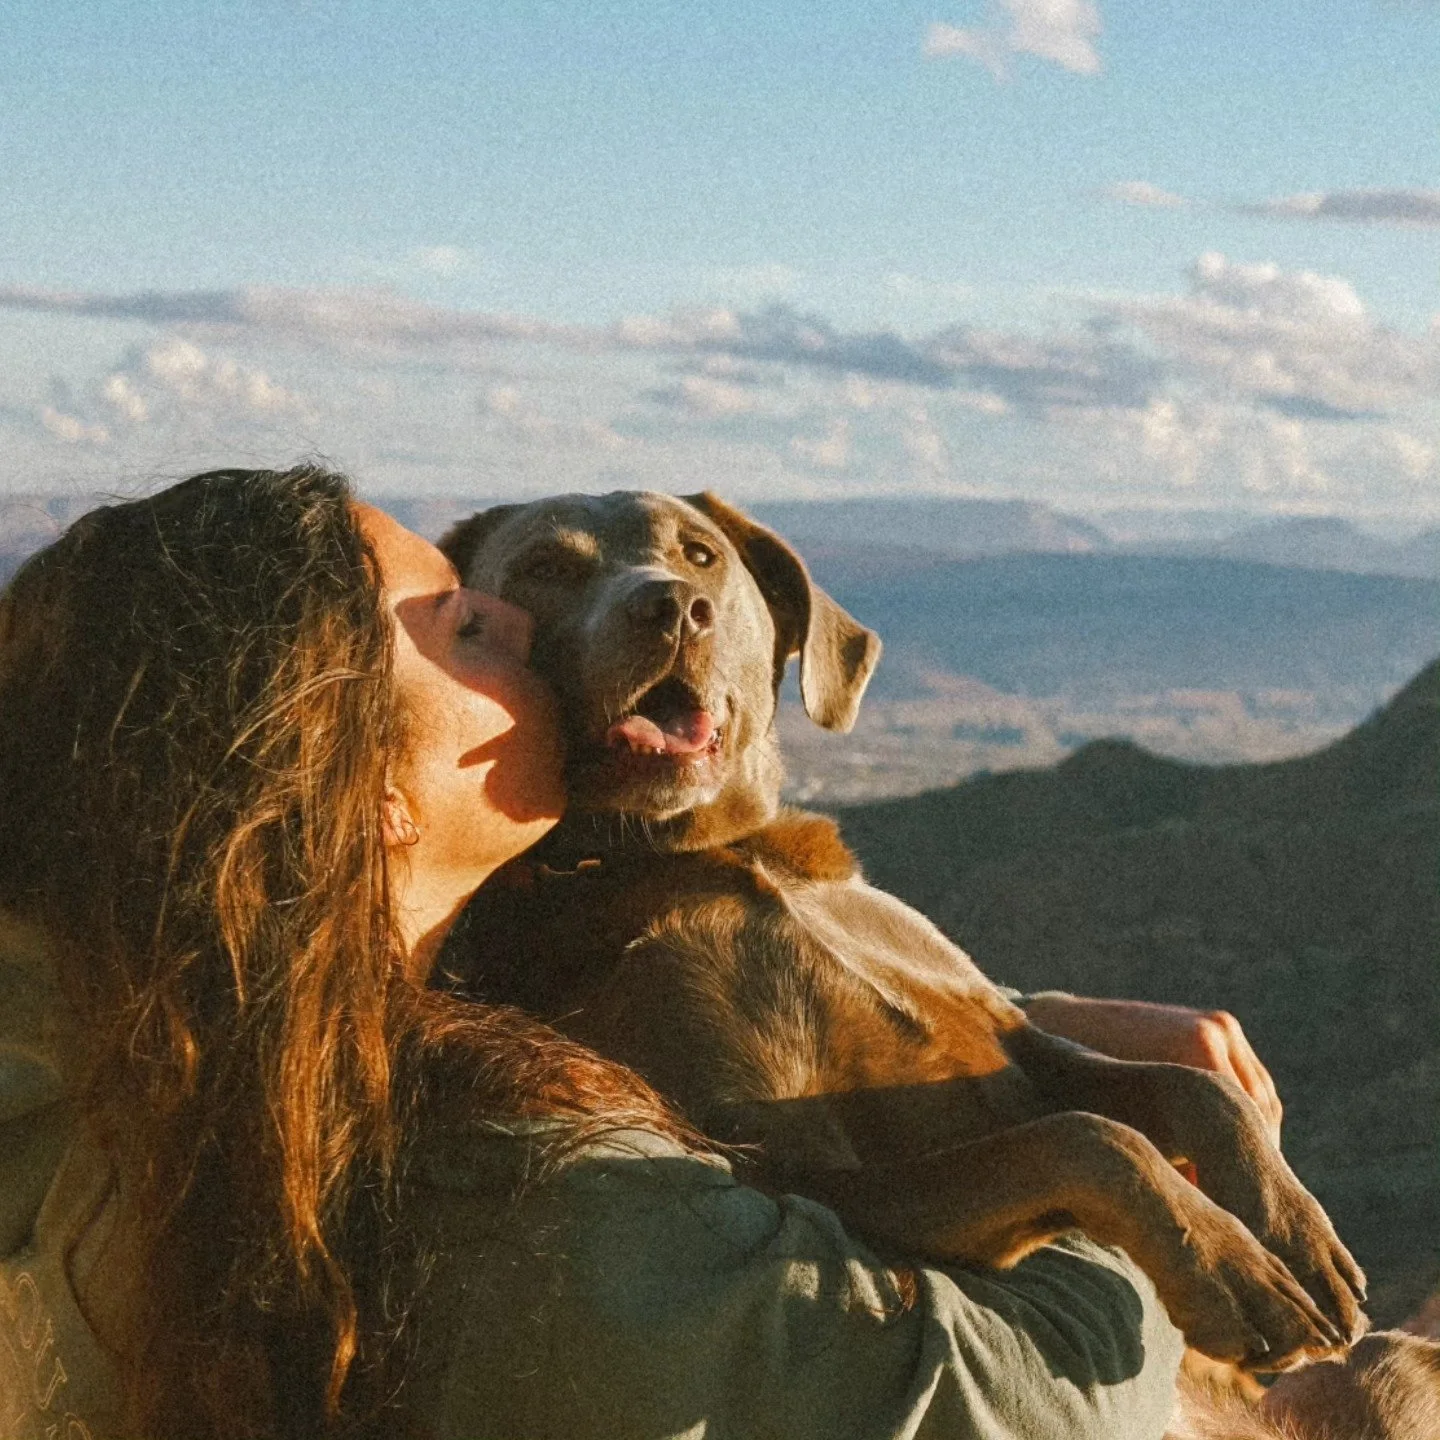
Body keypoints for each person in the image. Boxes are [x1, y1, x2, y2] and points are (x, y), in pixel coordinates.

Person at [0, 464, 1289, 1439]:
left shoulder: (110, 1024)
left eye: (697, 567)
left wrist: (1009, 1023)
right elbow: (1029, 1403)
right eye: (471, 627)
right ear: (358, 795)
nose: (521, 628)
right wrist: (1117, 1174)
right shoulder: (513, 1186)